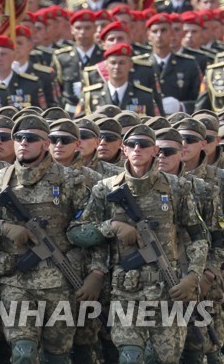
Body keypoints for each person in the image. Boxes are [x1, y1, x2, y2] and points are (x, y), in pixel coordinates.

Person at [0, 114, 98, 364]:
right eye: (18, 138)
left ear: (46, 144)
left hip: (61, 283)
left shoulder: (70, 180)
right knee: (22, 352)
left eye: (31, 138)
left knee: (57, 355)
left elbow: (90, 229)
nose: (23, 142)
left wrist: (96, 273)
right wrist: (2, 227)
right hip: (15, 281)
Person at [68, 125, 210, 364]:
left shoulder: (177, 187)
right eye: (132, 144)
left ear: (155, 150)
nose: (137, 149)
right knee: (130, 357)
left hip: (169, 290)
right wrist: (111, 226)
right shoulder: (105, 188)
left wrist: (192, 276)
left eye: (144, 145)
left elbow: (198, 236)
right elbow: (76, 233)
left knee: (165, 359)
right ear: (123, 149)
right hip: (125, 291)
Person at [81, 43, 161, 115]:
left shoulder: (144, 96)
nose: (117, 67)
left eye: (122, 63)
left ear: (130, 65)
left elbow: (153, 124)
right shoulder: (91, 95)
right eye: (113, 63)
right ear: (106, 65)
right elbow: (78, 122)